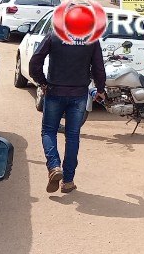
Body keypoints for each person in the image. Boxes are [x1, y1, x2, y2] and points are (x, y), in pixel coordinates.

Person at [29, 30, 107, 194]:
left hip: (54, 91)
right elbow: (99, 67)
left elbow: (35, 62)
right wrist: (100, 89)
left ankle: (54, 166)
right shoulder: (91, 39)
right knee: (72, 135)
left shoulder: (54, 36)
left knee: (49, 131)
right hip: (79, 94)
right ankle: (68, 181)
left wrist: (42, 82)